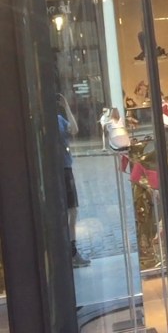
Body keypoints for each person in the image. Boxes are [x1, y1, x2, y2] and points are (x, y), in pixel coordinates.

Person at [57, 93, 89, 268]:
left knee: (72, 211)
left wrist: (66, 107)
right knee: (63, 213)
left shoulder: (59, 119)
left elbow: (74, 130)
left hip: (65, 168)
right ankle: (67, 252)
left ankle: (72, 252)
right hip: (56, 170)